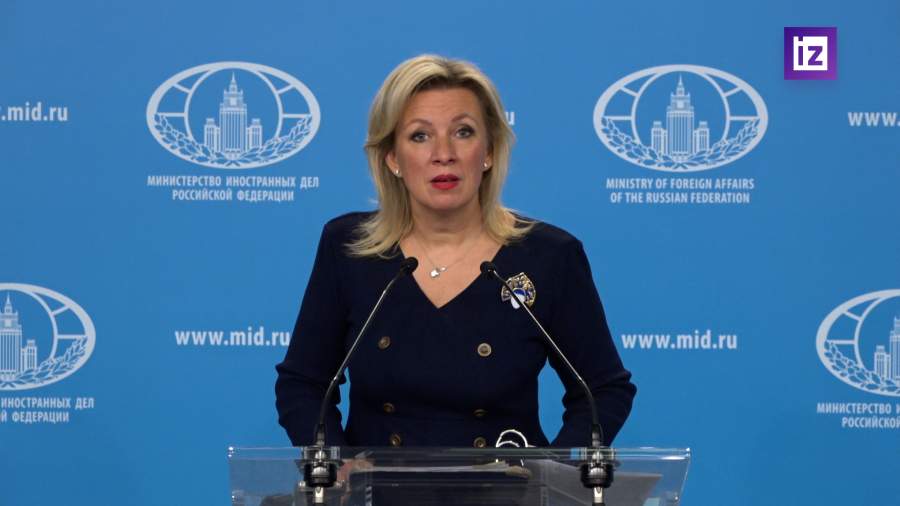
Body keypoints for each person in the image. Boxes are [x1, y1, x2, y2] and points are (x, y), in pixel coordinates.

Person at [275, 54, 635, 448]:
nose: (443, 153)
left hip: (508, 481)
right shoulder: (348, 247)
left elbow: (604, 391)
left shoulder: (549, 256)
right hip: (376, 482)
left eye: (463, 132)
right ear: (392, 158)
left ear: (490, 150)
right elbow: (303, 384)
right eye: (420, 136)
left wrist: (553, 472)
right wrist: (338, 466)